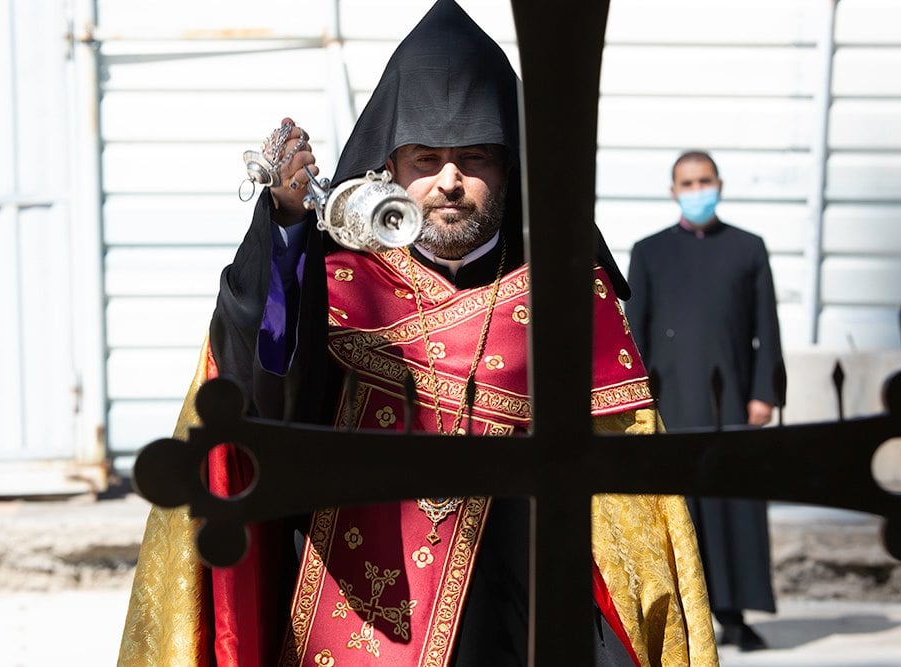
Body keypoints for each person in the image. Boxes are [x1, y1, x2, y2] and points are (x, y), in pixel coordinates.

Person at [119, 2, 717, 665]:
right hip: (356, 618)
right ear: (391, 167)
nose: (450, 182)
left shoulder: (571, 299)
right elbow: (261, 385)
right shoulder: (336, 282)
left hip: (524, 620)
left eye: (473, 158)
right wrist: (287, 228)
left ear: (510, 165)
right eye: (427, 158)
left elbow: (632, 512)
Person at [626, 150, 783, 651]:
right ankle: (682, 618)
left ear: (720, 183)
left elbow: (767, 330)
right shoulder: (649, 252)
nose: (697, 189)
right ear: (673, 191)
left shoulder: (748, 249)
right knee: (678, 511)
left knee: (731, 502)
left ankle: (735, 615)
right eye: (687, 182)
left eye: (704, 180)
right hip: (672, 400)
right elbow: (637, 332)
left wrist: (764, 393)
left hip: (732, 400)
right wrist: (637, 400)